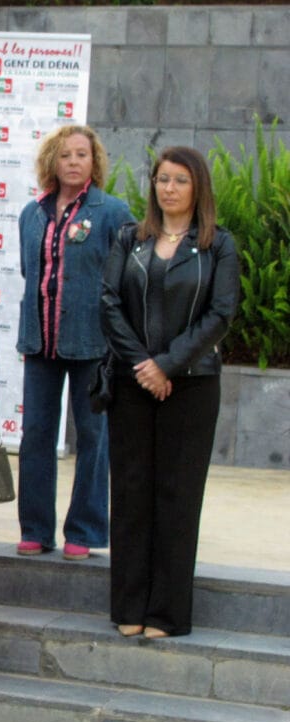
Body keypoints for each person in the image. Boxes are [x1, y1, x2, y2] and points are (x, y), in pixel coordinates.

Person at [100, 146, 240, 639]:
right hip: (131, 381)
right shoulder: (129, 238)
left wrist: (167, 364)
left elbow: (220, 313)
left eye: (180, 180)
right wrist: (143, 364)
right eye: (162, 179)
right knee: (131, 492)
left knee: (177, 496)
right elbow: (109, 302)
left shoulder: (219, 245)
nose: (170, 188)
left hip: (192, 384)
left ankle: (167, 613)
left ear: (197, 186)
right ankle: (129, 606)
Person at [15, 125, 133, 561]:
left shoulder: (112, 212)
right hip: (39, 342)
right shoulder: (31, 213)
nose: (73, 162)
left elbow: (126, 277)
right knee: (35, 435)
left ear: (94, 161)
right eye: (65, 154)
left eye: (82, 154)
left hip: (93, 344)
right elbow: (29, 271)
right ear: (52, 160)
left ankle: (84, 529)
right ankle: (35, 528)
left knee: (92, 437)